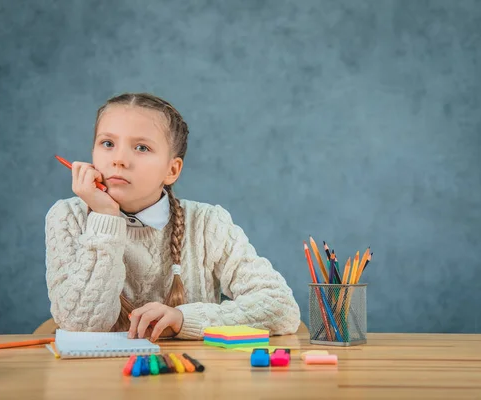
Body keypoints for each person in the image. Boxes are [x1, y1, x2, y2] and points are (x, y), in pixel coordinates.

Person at [45, 92, 300, 341]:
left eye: (141, 147)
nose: (119, 159)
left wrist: (183, 319)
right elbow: (81, 326)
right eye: (108, 144)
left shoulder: (207, 223)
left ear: (172, 169)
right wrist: (105, 216)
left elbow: (281, 308)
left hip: (189, 377)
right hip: (97, 380)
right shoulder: (67, 217)